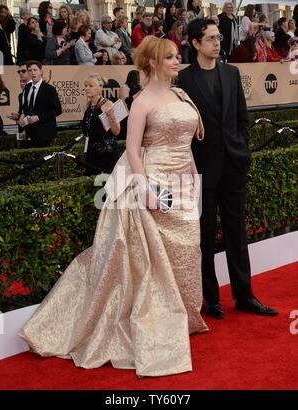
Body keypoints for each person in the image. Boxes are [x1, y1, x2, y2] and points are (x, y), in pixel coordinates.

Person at [19, 36, 208, 377]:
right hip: (152, 184)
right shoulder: (141, 101)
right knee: (147, 259)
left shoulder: (181, 95)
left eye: (177, 56)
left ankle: (183, 315)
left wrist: (195, 179)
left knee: (186, 250)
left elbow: (187, 145)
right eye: (169, 57)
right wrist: (145, 189)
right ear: (152, 62)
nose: (176, 61)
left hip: (182, 184)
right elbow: (133, 150)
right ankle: (152, 320)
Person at [177, 18, 278, 318]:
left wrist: (242, 149)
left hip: (234, 165)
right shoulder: (184, 80)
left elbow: (241, 119)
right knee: (205, 236)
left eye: (218, 36)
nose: (217, 42)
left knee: (236, 232)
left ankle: (244, 295)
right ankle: (211, 299)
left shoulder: (231, 73)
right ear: (195, 43)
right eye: (210, 38)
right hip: (203, 171)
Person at [81, 73, 121, 175]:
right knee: (93, 186)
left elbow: (116, 131)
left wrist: (112, 116)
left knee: (105, 186)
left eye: (91, 86)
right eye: (85, 86)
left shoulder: (107, 104)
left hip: (106, 154)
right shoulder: (89, 106)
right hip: (92, 153)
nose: (87, 88)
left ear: (100, 88)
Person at [19, 60, 62, 147]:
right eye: (30, 70)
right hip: (30, 132)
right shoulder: (27, 87)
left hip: (45, 133)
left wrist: (38, 117)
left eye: (35, 70)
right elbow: (26, 107)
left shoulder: (49, 89)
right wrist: (22, 116)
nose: (33, 73)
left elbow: (58, 110)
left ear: (41, 72)